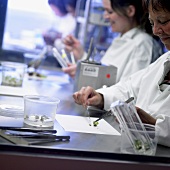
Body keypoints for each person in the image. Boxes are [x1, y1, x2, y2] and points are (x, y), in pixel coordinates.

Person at [73, 0, 170, 147]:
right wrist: (102, 97)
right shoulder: (165, 59)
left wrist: (155, 125)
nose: (156, 31)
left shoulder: (141, 44)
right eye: (152, 23)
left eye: (162, 21)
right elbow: (129, 88)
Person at [63, 0, 163, 81]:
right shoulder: (122, 39)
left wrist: (84, 75)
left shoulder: (142, 44)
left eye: (110, 12)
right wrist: (81, 54)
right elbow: (104, 73)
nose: (105, 16)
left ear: (130, 11)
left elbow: (129, 92)